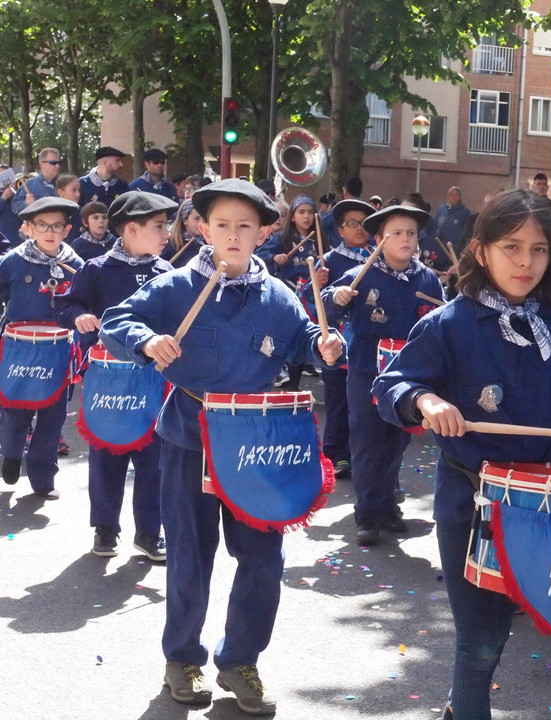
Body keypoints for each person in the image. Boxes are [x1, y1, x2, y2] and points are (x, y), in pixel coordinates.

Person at [99, 179, 344, 715]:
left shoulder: (277, 295)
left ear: (264, 233)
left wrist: (326, 344)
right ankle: (182, 657)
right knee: (190, 555)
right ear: (203, 229)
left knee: (264, 559)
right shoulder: (174, 287)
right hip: (189, 438)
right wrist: (146, 340)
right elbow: (117, 322)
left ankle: (240, 660)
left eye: (245, 226)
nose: (233, 235)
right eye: (222, 225)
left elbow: (306, 339)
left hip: (256, 444)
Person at [371, 188, 551, 720]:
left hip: (541, 499)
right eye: (511, 247)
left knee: (503, 625)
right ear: (480, 251)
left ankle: (461, 705)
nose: (526, 263)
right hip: (470, 502)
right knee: (480, 634)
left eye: (538, 250)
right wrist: (425, 400)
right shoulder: (448, 324)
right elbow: (390, 385)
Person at [55, 192, 177, 560]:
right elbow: (68, 304)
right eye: (159, 226)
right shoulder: (96, 269)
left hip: (154, 378)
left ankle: (150, 531)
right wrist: (78, 316)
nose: (167, 234)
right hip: (108, 377)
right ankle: (105, 528)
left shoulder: (166, 272)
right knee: (107, 452)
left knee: (154, 459)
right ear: (132, 229)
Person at [321, 204, 444, 546]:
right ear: (378, 239)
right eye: (396, 233)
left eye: (411, 233)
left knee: (397, 441)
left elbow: (441, 322)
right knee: (367, 441)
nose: (405, 239)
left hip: (409, 374)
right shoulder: (362, 274)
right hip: (367, 370)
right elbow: (327, 306)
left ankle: (388, 505)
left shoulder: (427, 279)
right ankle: (368, 513)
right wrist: (336, 296)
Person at [0, 197, 83, 497]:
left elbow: (84, 302)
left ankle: (43, 477)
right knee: (15, 408)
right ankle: (11, 453)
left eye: (57, 226)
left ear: (67, 229)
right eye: (42, 225)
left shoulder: (76, 265)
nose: (50, 232)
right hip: (18, 346)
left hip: (58, 348)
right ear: (29, 228)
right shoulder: (12, 261)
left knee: (53, 415)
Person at [314, 199, 378, 481]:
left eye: (363, 223)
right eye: (352, 223)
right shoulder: (329, 261)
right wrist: (317, 283)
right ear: (340, 230)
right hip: (338, 342)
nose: (359, 228)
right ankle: (336, 454)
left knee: (365, 406)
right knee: (338, 401)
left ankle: (363, 456)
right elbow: (311, 302)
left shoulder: (379, 258)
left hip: (368, 345)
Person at [424, 186, 471, 271]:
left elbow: (466, 233)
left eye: (451, 194)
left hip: (454, 251)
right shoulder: (442, 209)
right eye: (448, 194)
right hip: (439, 248)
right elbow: (435, 226)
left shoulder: (465, 213)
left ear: (458, 197)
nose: (448, 196)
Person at [78, 146, 130, 211]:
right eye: (117, 160)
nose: (121, 165)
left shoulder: (122, 185)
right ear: (105, 163)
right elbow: (76, 211)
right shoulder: (82, 184)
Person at [10, 147, 60, 215]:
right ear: (42, 164)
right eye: (53, 162)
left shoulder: (64, 183)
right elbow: (14, 206)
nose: (58, 166)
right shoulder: (29, 184)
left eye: (59, 163)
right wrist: (26, 203)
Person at [162, 200, 205, 269]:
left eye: (205, 219)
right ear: (185, 220)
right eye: (197, 218)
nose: (201, 223)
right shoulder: (171, 244)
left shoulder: (209, 244)